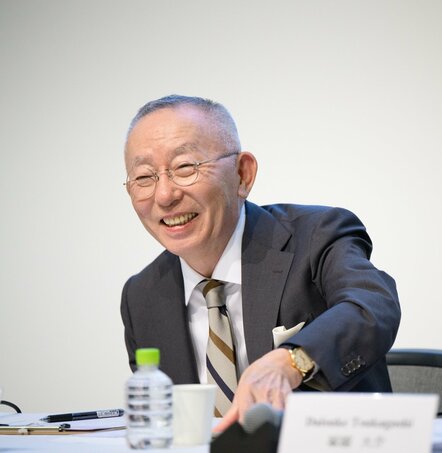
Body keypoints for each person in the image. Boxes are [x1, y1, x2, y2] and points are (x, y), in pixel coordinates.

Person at [120, 94, 401, 431]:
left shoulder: (317, 237)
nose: (165, 195)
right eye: (144, 177)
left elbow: (372, 306)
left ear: (242, 174)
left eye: (184, 168)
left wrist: (292, 360)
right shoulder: (142, 297)